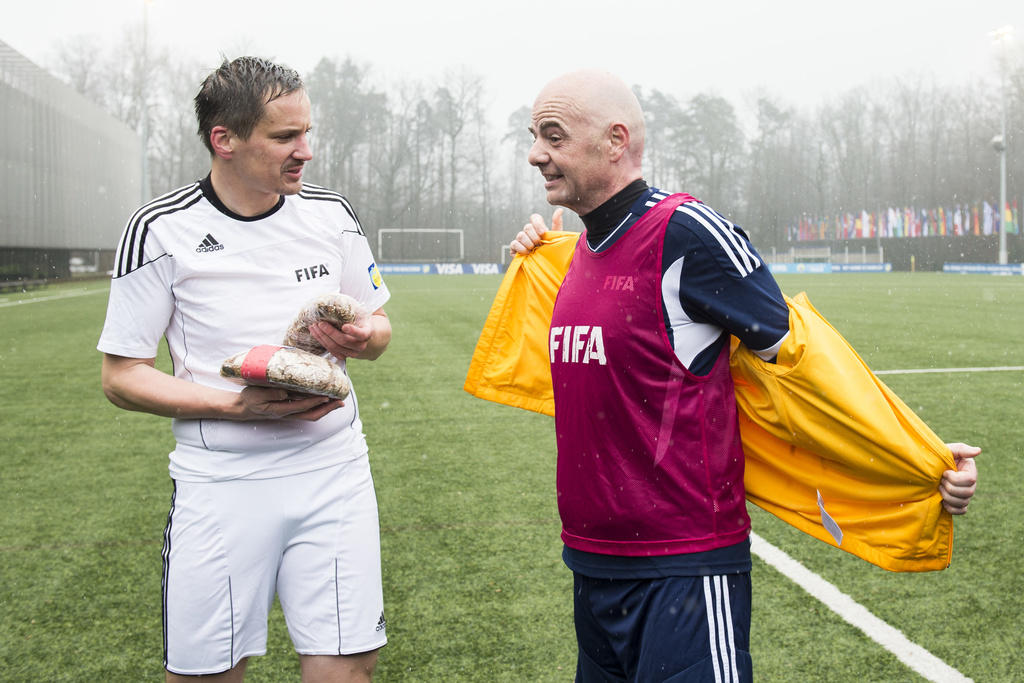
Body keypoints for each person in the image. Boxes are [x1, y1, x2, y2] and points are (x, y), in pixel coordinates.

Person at [508, 69, 980, 682]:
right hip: (592, 563)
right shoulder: (578, 252)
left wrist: (918, 457)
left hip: (685, 568)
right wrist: (537, 257)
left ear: (615, 140)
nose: (535, 154)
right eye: (535, 136)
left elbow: (808, 367)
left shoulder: (687, 234)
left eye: (554, 136)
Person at [98, 56, 392, 682]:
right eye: (285, 137)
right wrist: (234, 406)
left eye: (307, 133)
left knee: (347, 667)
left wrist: (363, 336)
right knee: (207, 675)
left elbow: (379, 332)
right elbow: (121, 376)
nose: (305, 151)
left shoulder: (332, 214)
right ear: (224, 141)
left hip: (334, 472)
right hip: (222, 482)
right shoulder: (160, 230)